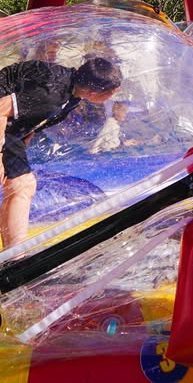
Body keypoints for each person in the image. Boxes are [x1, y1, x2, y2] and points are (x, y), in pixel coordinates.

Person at [0, 57, 122, 250]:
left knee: (20, 186)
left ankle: (14, 251)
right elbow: (1, 107)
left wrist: (25, 137)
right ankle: (14, 252)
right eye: (111, 92)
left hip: (11, 132)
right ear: (94, 92)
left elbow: (30, 116)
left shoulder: (71, 93)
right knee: (21, 186)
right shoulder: (53, 93)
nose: (113, 97)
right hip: (3, 126)